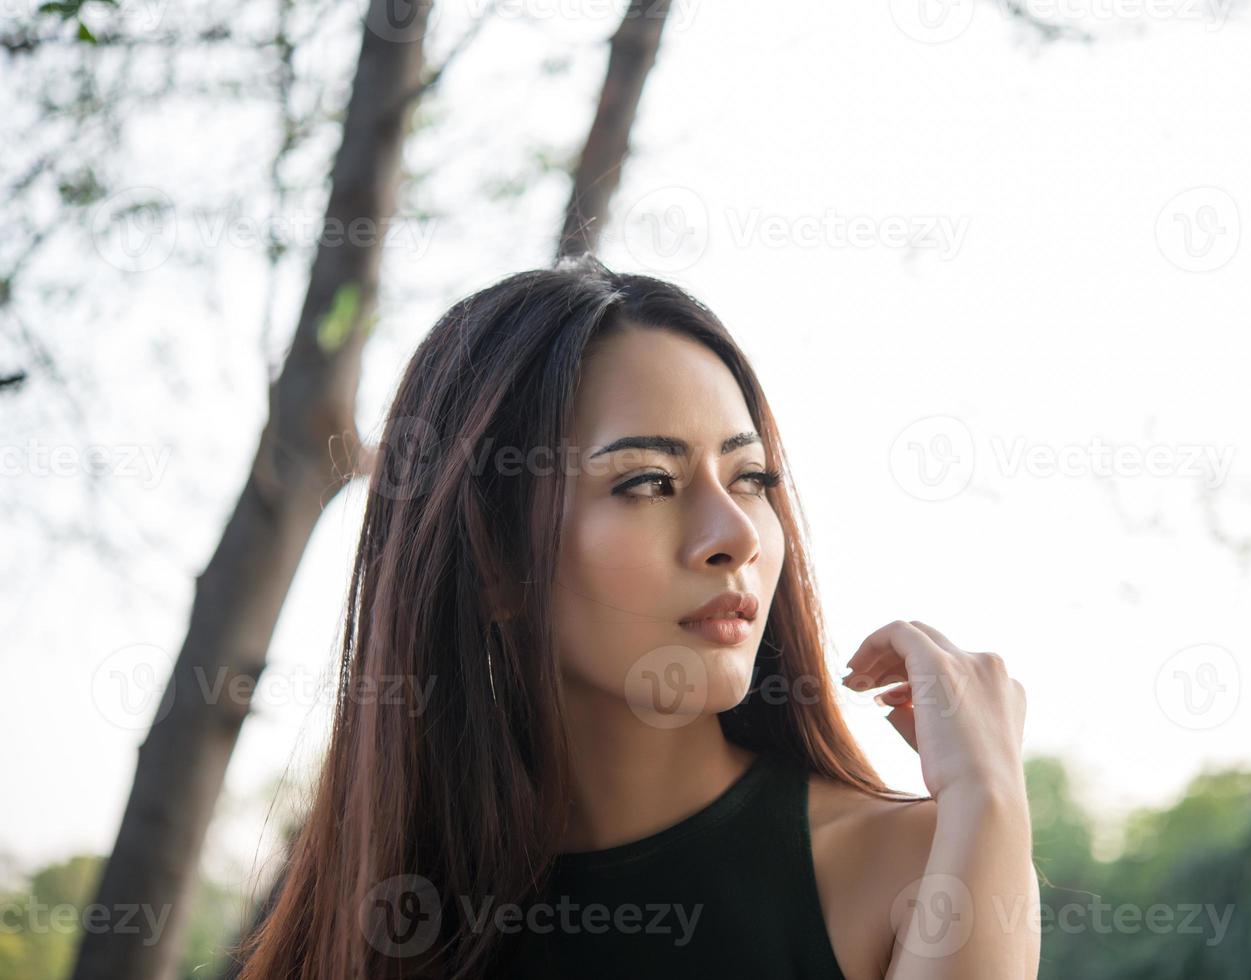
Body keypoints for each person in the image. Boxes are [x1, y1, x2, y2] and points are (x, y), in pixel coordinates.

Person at [236, 254, 1040, 980]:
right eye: (649, 482)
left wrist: (991, 794)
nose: (735, 537)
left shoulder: (919, 868)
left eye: (751, 477)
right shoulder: (379, 930)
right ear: (494, 561)